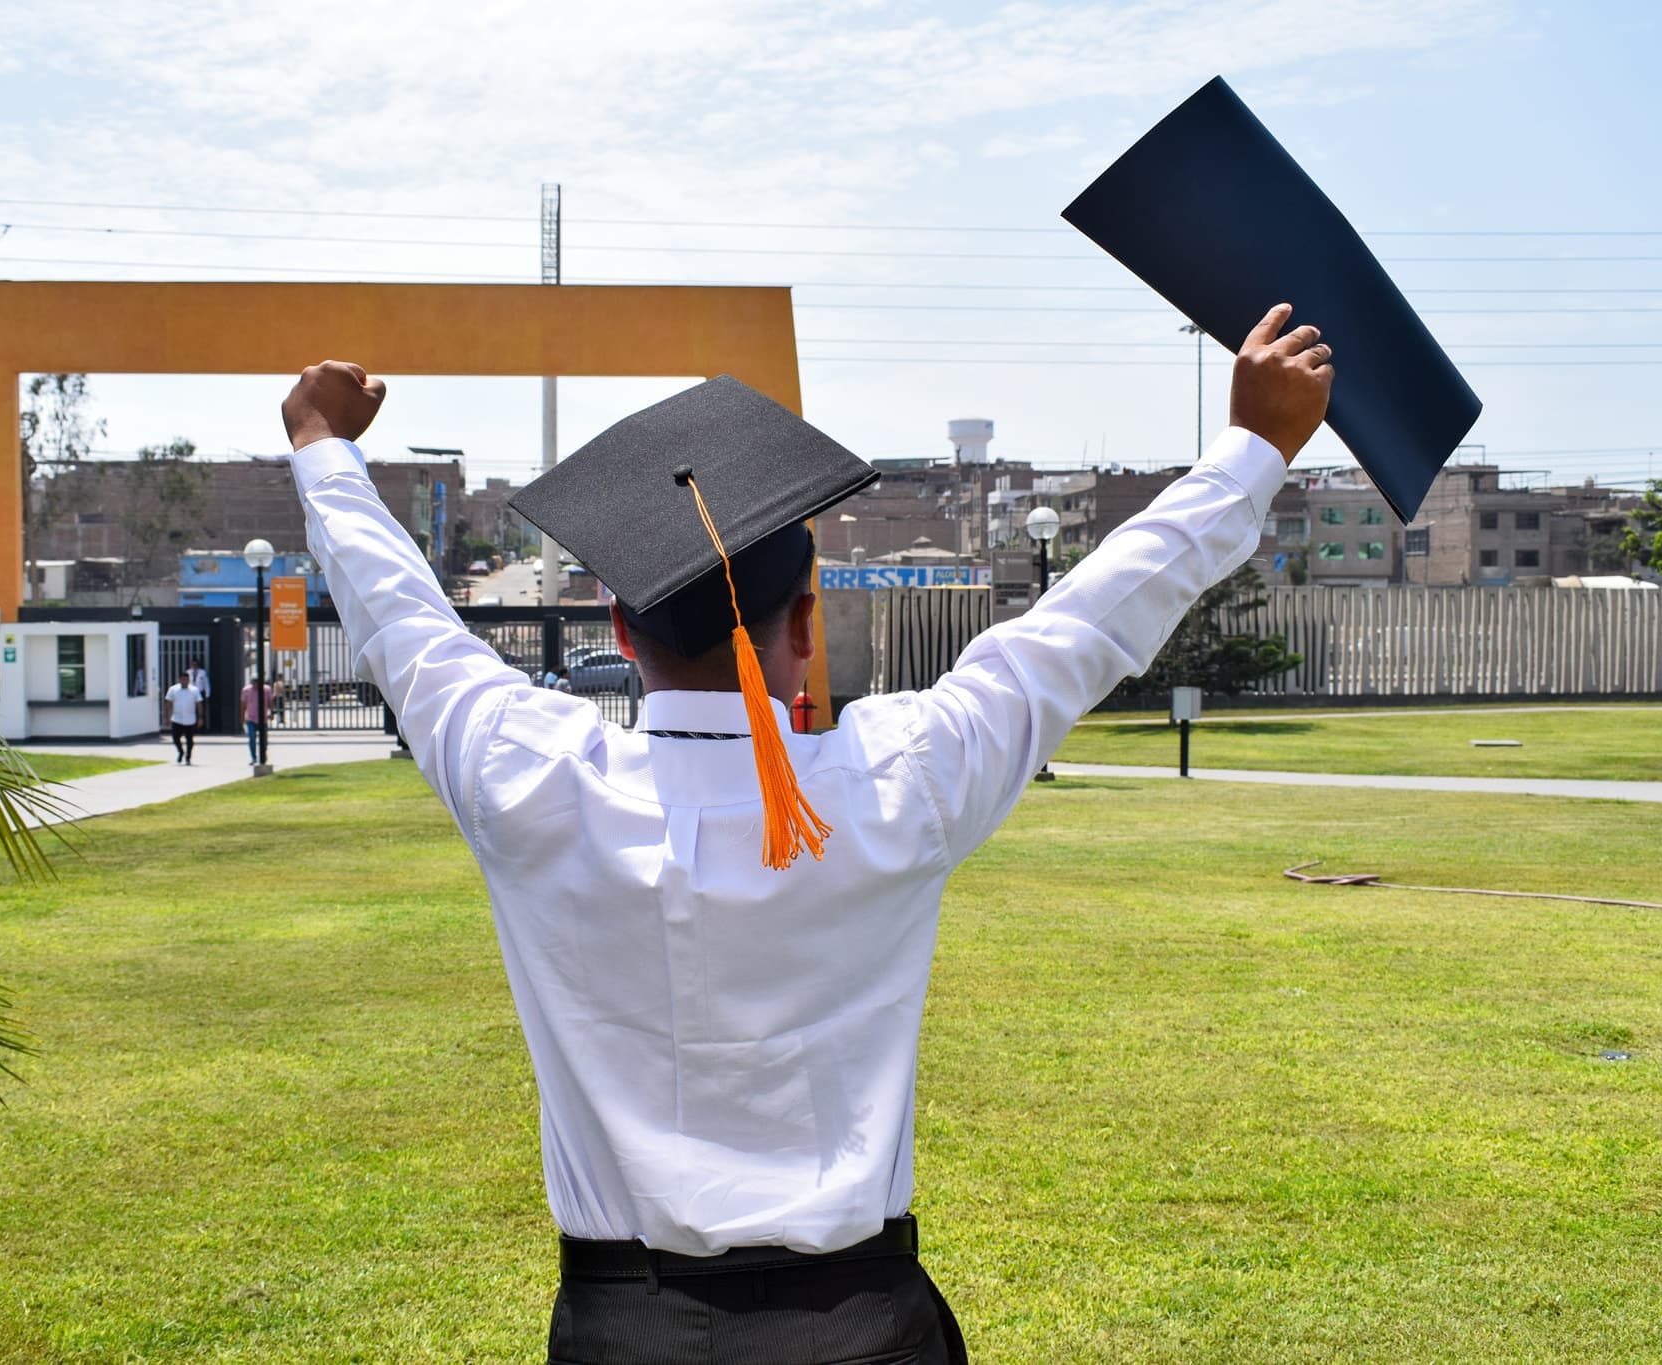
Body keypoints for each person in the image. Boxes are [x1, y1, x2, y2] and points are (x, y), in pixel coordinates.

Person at [278, 302, 1331, 1363]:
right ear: (804, 622)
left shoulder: (530, 777)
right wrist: (1251, 448)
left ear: (618, 632)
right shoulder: (899, 776)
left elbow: (400, 619)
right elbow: (1084, 623)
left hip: (620, 1333)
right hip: (859, 1330)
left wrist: (325, 453)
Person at [163, 669, 203, 764]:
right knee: (176, 738)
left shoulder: (194, 690)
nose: (184, 681)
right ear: (179, 680)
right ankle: (181, 752)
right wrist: (166, 717)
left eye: (186, 679)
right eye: (183, 679)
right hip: (177, 718)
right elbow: (168, 703)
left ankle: (188, 757)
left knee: (190, 740)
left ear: (189, 680)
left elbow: (199, 704)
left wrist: (200, 717)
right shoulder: (173, 689)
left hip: (190, 719)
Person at [240, 674, 274, 765]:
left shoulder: (266, 690)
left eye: (257, 682)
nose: (255, 684)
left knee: (264, 740)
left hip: (263, 719)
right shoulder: (246, 690)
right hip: (251, 718)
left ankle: (263, 754)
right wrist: (242, 718)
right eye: (254, 682)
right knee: (252, 738)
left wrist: (271, 712)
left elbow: (270, 702)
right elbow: (243, 705)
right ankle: (253, 757)